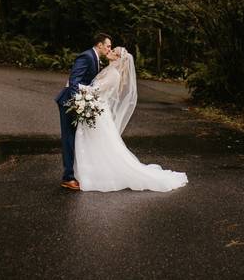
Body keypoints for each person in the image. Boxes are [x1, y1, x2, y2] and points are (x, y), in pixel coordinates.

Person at [73, 46, 188, 192]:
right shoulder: (108, 70)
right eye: (111, 49)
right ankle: (90, 171)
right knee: (97, 142)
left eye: (113, 51)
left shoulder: (114, 74)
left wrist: (77, 88)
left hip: (98, 111)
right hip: (97, 108)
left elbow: (96, 90)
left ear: (119, 59)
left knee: (98, 142)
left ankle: (95, 174)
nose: (110, 52)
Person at [54, 32, 112, 190]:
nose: (109, 49)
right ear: (99, 45)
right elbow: (74, 82)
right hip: (69, 102)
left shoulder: (96, 59)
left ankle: (75, 174)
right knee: (68, 139)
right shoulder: (86, 56)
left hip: (80, 102)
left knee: (75, 138)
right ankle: (68, 177)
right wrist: (78, 104)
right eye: (108, 46)